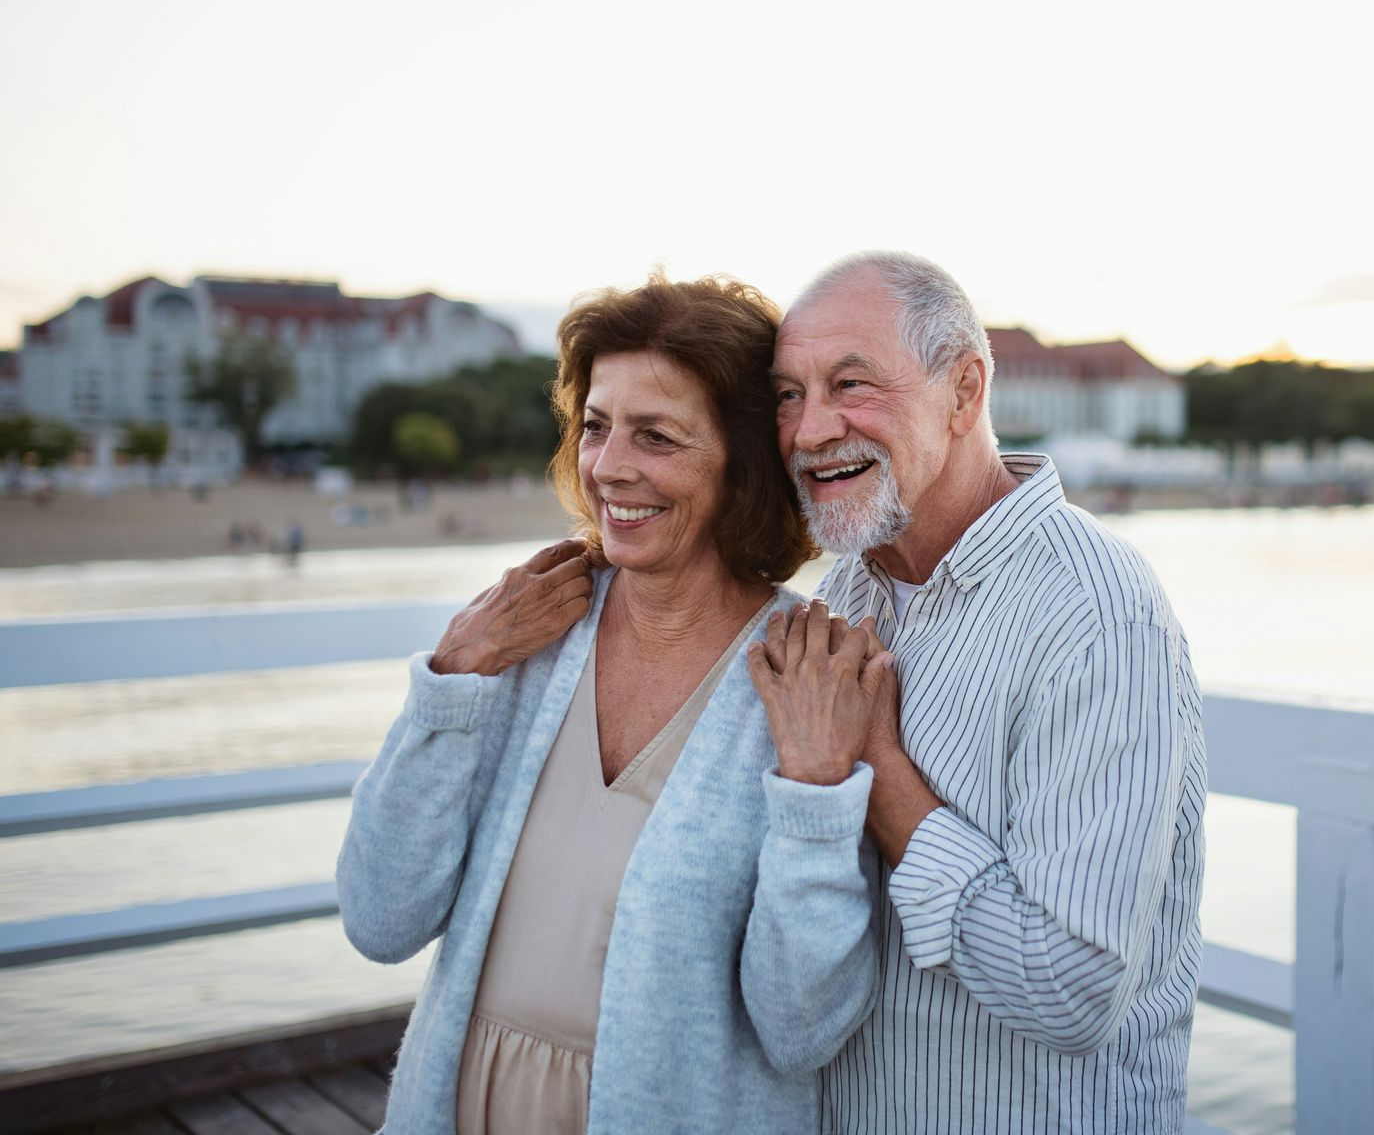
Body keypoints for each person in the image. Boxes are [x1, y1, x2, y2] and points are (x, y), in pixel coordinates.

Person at [337, 272, 886, 1134]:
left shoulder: (803, 677)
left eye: (657, 437)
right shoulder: (521, 636)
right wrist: (452, 679)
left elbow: (801, 1028)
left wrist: (817, 793)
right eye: (596, 427)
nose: (610, 466)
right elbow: (379, 916)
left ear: (744, 465)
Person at [750, 250, 1207, 1133]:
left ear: (965, 392)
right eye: (787, 394)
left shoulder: (1097, 615)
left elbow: (1072, 988)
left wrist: (877, 769)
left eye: (851, 382)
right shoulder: (840, 600)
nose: (808, 431)